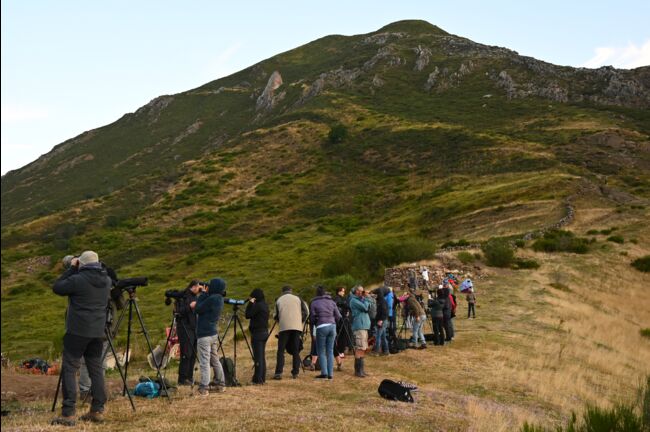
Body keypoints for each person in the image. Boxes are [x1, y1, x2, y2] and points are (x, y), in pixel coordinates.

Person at [51, 251, 111, 426]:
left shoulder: (78, 280)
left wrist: (71, 268)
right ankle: (97, 410)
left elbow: (57, 287)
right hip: (97, 332)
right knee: (96, 369)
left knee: (70, 369)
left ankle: (68, 413)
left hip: (77, 331)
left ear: (81, 264)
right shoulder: (106, 280)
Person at [195, 278, 226, 395]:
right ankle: (221, 384)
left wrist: (202, 294)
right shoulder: (219, 299)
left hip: (204, 334)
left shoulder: (212, 298)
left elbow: (197, 309)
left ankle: (204, 387)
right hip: (213, 333)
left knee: (204, 361)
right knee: (215, 359)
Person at [274, 286, 308, 380]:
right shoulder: (298, 298)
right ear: (291, 291)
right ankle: (295, 372)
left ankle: (279, 372)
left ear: (282, 291)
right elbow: (306, 312)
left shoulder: (279, 300)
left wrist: (280, 320)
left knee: (281, 350)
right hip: (296, 327)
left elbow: (275, 315)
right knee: (295, 350)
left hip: (284, 327)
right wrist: (301, 320)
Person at [310, 286, 341, 380]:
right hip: (332, 326)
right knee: (330, 350)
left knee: (321, 351)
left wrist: (316, 323)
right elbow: (339, 316)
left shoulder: (314, 302)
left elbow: (312, 318)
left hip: (321, 326)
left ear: (317, 293)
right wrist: (333, 322)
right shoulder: (332, 302)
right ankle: (330, 374)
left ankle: (324, 373)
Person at [176, 280, 202, 385]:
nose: (199, 290)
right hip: (184, 327)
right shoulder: (183, 296)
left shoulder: (196, 297)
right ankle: (182, 379)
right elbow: (178, 312)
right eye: (198, 288)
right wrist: (189, 307)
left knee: (193, 354)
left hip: (194, 327)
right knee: (186, 353)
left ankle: (190, 377)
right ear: (194, 287)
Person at [245, 288, 269, 384]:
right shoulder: (264, 305)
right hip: (264, 333)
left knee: (258, 357)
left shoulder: (258, 306)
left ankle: (258, 380)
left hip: (257, 334)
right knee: (261, 356)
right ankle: (261, 378)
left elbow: (247, 315)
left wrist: (250, 303)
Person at [349, 285, 370, 378]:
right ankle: (357, 371)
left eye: (363, 291)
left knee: (364, 348)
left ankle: (361, 370)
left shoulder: (360, 299)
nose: (362, 292)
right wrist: (366, 298)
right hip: (359, 326)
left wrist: (366, 298)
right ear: (356, 291)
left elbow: (369, 307)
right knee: (359, 347)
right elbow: (365, 308)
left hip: (364, 325)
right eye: (360, 291)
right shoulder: (354, 300)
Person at [333, 286, 351, 371]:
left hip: (343, 319)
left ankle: (341, 350)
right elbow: (338, 305)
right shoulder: (337, 299)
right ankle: (340, 351)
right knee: (341, 335)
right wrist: (345, 305)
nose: (344, 293)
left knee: (344, 335)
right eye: (342, 291)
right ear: (339, 291)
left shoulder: (342, 299)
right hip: (340, 320)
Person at [370, 287, 389, 356]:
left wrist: (380, 320)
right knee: (383, 337)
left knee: (378, 336)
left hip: (382, 321)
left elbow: (384, 312)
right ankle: (386, 351)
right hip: (383, 320)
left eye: (375, 294)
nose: (374, 296)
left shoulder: (382, 302)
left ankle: (376, 352)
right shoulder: (380, 301)